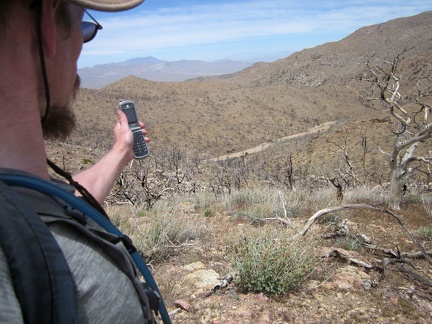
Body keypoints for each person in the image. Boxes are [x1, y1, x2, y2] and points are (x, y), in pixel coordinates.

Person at [0, 0, 159, 323]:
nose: (81, 51)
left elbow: (53, 204)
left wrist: (120, 151)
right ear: (48, 17)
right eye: (84, 28)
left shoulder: (17, 191)